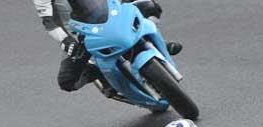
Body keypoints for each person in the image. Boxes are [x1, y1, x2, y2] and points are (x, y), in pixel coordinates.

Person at [32, 0, 183, 93]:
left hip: (112, 15)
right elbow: (49, 23)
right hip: (82, 37)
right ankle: (97, 72)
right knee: (67, 81)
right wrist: (66, 41)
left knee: (151, 7)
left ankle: (159, 43)